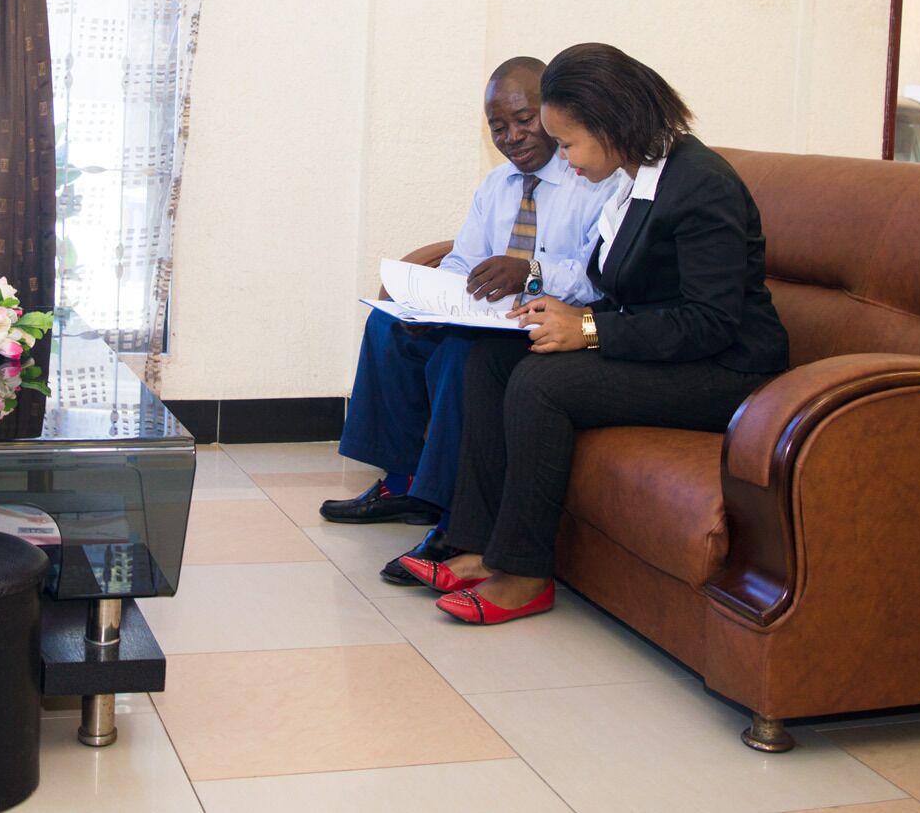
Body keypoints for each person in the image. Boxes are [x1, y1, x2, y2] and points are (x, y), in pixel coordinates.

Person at [404, 43, 789, 625]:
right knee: (491, 358)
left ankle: (525, 574)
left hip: (729, 372)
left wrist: (586, 328)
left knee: (541, 384)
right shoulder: (632, 179)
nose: (564, 157)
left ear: (611, 124)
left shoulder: (700, 184)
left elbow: (709, 322)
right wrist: (559, 312)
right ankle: (478, 545)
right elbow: (622, 288)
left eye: (567, 143)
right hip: (665, 350)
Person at [322, 57, 615, 586]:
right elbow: (463, 259)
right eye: (498, 127)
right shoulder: (497, 185)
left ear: (552, 113)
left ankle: (454, 522)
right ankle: (404, 483)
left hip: (546, 324)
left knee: (463, 355)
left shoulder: (591, 179)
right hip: (486, 316)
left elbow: (597, 279)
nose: (512, 137)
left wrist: (530, 273)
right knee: (390, 328)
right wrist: (430, 299)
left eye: (523, 120)